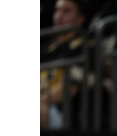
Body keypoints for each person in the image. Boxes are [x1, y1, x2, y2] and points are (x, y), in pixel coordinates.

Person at [40, 0, 87, 129]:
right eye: (57, 10)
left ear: (80, 19)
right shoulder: (47, 50)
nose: (59, 16)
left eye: (66, 11)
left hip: (64, 117)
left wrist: (41, 100)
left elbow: (70, 88)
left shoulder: (84, 48)